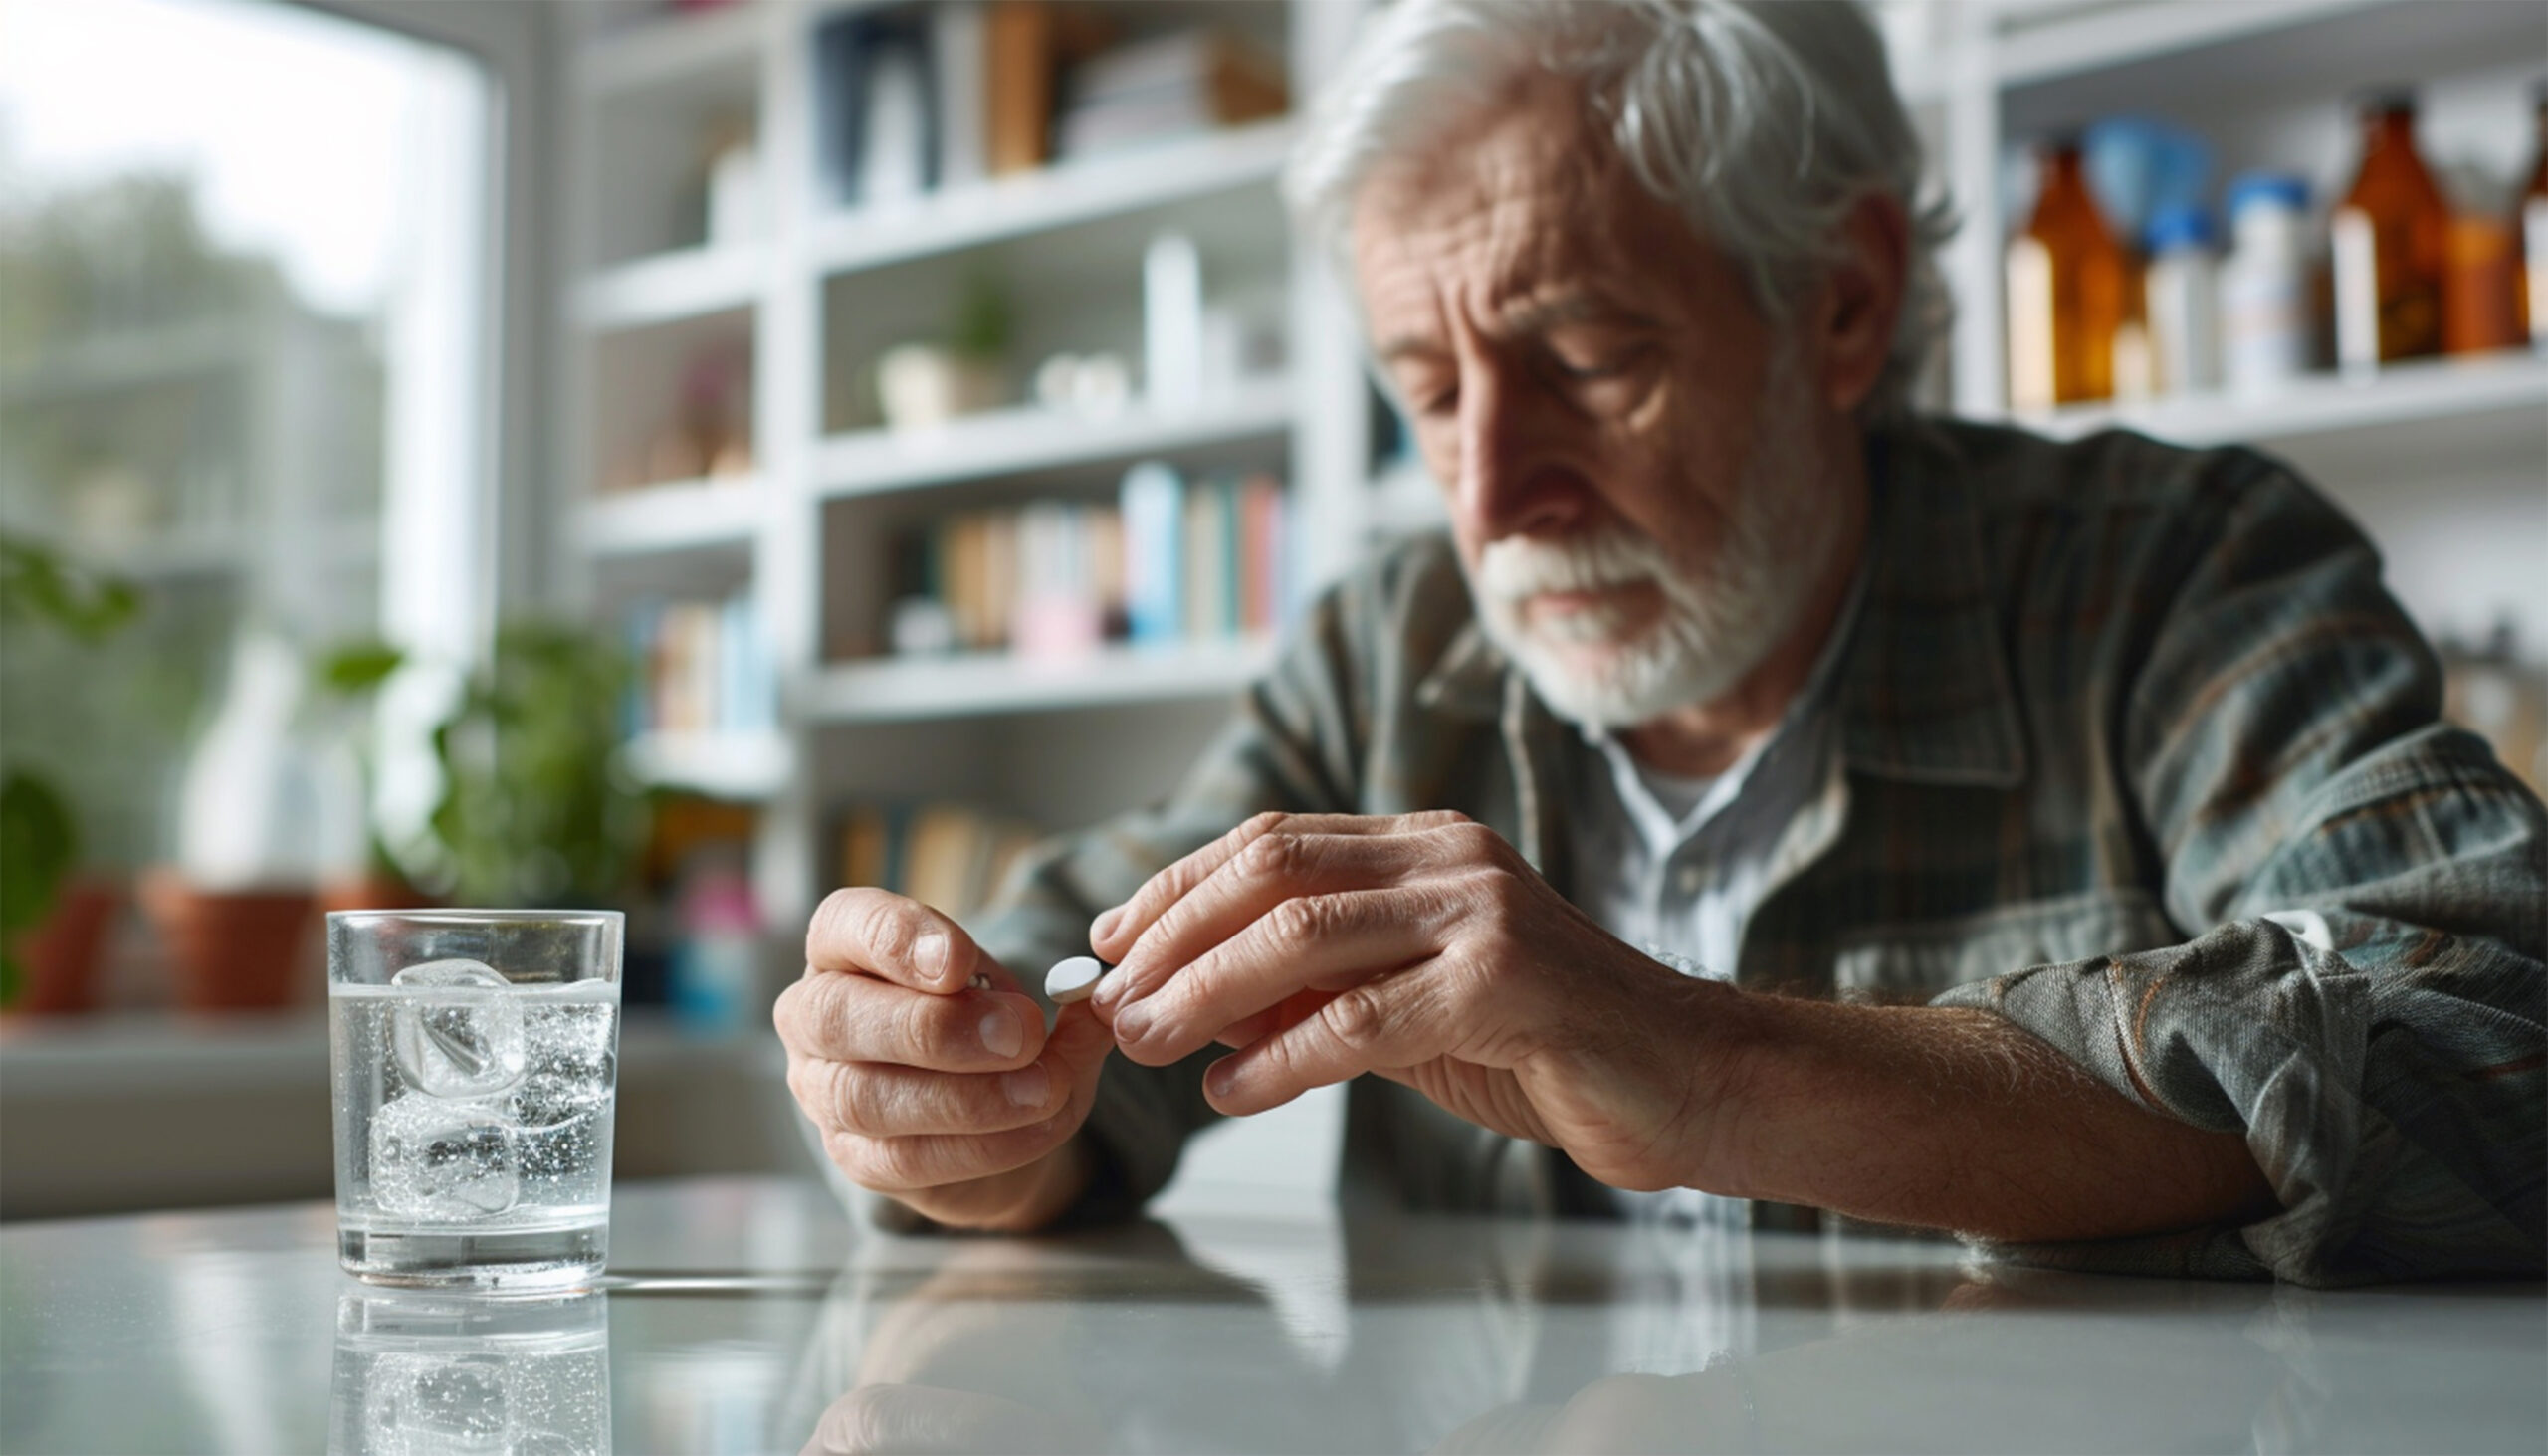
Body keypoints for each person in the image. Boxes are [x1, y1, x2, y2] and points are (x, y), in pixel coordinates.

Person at [773, 0, 2545, 1285]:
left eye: (1585, 359)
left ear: (1841, 303)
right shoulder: (1392, 647)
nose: (1492, 492)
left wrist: (1710, 1070)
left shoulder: (2177, 572)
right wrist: (967, 1104)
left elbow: (2497, 1044)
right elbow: (1083, 999)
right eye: (1427, 390)